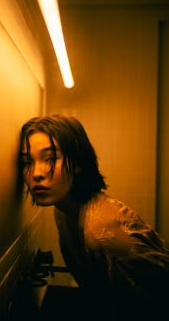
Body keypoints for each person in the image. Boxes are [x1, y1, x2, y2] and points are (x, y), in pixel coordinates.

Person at [17, 113, 169, 320]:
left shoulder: (100, 229)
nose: (36, 173)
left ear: (78, 163)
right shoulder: (63, 212)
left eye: (50, 159)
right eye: (27, 162)